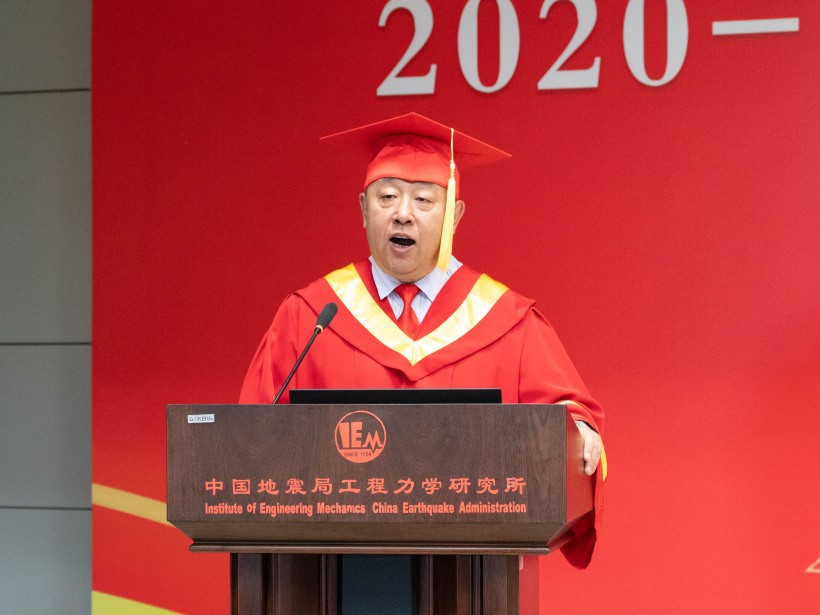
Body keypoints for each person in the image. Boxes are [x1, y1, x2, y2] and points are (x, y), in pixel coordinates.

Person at [240, 112, 605, 567]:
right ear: (363, 209)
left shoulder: (508, 319)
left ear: (455, 216)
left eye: (424, 200)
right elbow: (251, 439)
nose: (403, 213)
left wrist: (576, 430)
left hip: (474, 570)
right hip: (328, 567)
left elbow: (567, 410)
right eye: (387, 196)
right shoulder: (310, 315)